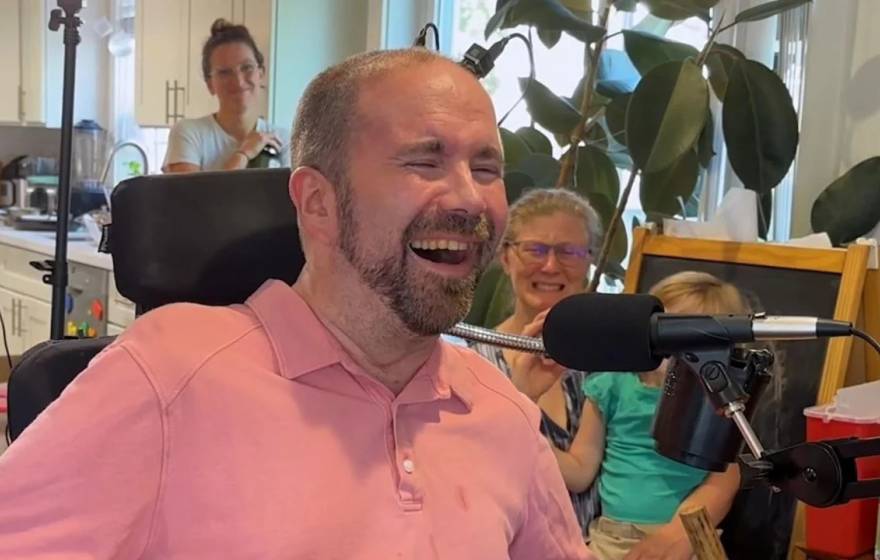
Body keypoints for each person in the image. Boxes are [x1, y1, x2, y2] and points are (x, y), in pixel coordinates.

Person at [0, 49, 593, 559]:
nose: (470, 198)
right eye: (424, 161)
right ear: (316, 203)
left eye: (486, 167)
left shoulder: (502, 415)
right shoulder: (168, 377)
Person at [554, 271, 745, 560]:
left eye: (691, 343)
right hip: (612, 539)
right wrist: (531, 438)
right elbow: (580, 469)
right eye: (663, 333)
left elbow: (726, 479)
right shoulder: (611, 385)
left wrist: (679, 535)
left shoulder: (717, 399)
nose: (672, 351)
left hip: (687, 541)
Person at [469, 187, 603, 539]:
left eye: (569, 252)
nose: (550, 266)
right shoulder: (467, 362)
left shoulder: (609, 364)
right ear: (506, 257)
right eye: (535, 249)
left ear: (588, 261)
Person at [162, 19, 289, 172]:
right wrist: (243, 154)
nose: (239, 81)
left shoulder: (283, 140)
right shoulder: (188, 133)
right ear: (210, 84)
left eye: (247, 67)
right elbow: (192, 196)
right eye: (224, 73)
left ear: (261, 73)